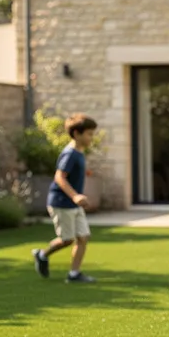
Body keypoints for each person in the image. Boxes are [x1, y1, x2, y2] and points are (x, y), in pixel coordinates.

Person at [32, 113, 98, 283]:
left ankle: (74, 274)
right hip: (61, 203)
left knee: (83, 237)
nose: (92, 137)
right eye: (89, 134)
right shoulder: (69, 154)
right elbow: (59, 177)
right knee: (67, 240)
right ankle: (42, 254)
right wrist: (75, 196)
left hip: (73, 205)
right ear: (77, 133)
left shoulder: (79, 153)